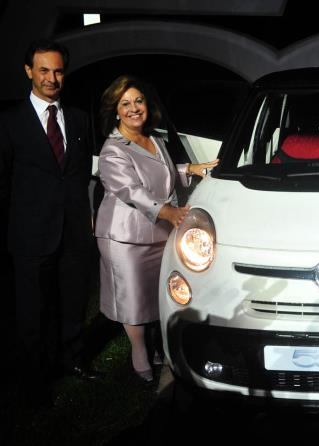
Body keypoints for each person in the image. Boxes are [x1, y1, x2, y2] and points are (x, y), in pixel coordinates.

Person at [95, 75, 217, 382]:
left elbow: (162, 173)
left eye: (138, 101)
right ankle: (139, 355)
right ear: (115, 111)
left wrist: (191, 169)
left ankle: (158, 347)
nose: (134, 108)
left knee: (154, 295)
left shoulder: (154, 140)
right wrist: (169, 211)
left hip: (158, 233)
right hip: (125, 238)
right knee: (133, 300)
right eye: (125, 103)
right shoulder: (113, 149)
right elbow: (132, 191)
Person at [0, 39, 99, 406]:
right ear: (29, 71)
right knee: (32, 314)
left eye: (58, 71)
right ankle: (35, 381)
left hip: (72, 233)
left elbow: (79, 174)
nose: (51, 78)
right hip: (30, 236)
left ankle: (73, 360)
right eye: (43, 70)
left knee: (73, 303)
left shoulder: (78, 118)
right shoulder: (9, 122)